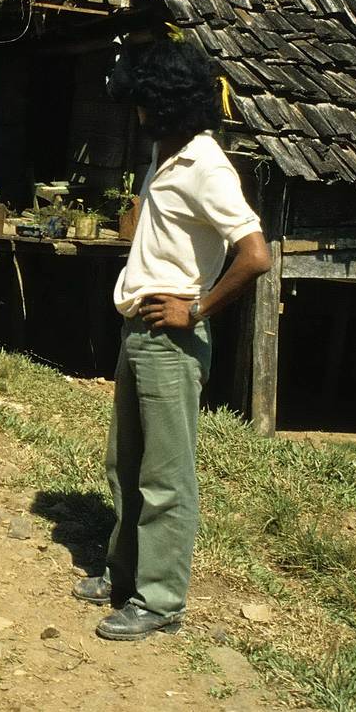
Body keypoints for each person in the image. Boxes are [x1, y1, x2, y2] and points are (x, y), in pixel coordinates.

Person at [76, 35, 271, 641]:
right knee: (124, 462)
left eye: (139, 101)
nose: (133, 112)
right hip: (140, 328)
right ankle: (125, 570)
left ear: (161, 102)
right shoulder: (166, 154)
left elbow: (255, 254)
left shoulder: (206, 165)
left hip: (171, 338)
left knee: (165, 475)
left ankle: (159, 600)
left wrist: (200, 309)